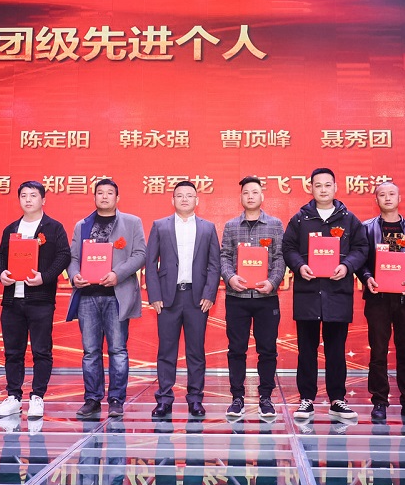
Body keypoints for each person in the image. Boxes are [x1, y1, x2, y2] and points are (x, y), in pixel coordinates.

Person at [282, 167, 369, 422]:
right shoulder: (300, 219)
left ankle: (337, 399)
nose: (323, 190)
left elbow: (361, 248)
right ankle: (306, 399)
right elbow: (288, 247)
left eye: (327, 185)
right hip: (308, 294)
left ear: (335, 187)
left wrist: (347, 266)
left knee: (336, 350)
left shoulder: (349, 219)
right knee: (306, 350)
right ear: (311, 188)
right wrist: (299, 265)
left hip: (337, 293)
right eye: (318, 185)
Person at [66, 179, 146, 419]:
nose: (104, 196)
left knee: (118, 350)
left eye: (109, 193)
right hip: (87, 296)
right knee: (90, 351)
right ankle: (92, 399)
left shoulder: (132, 222)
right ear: (94, 197)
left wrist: (117, 274)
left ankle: (116, 399)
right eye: (100, 192)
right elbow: (73, 257)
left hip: (116, 295)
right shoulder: (82, 225)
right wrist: (75, 275)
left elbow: (140, 254)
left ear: (117, 198)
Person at [0, 180, 71, 419]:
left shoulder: (53, 227)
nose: (28, 199)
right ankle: (13, 397)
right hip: (12, 300)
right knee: (12, 352)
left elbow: (64, 256)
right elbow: (0, 257)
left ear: (43, 200)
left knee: (41, 350)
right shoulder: (11, 228)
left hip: (40, 300)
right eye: (24, 195)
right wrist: (1, 274)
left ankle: (37, 397)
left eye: (33, 195)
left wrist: (44, 277)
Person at [355, 181, 405, 423]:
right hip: (377, 298)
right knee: (378, 352)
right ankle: (379, 402)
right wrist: (367, 277)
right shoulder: (366, 229)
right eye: (382, 195)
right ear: (376, 200)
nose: (387, 198)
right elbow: (360, 260)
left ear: (399, 198)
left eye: (392, 194)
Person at [145, 180, 221, 418]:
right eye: (180, 195)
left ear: (197, 200)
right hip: (168, 298)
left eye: (189, 195)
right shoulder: (160, 226)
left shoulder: (208, 228)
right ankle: (164, 399)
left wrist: (209, 293)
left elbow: (214, 265)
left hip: (197, 299)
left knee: (195, 352)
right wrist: (154, 295)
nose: (185, 199)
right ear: (173, 200)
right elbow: (150, 263)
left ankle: (195, 399)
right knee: (166, 351)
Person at [220, 176, 286, 420]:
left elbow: (280, 257)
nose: (250, 196)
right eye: (246, 192)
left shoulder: (275, 225)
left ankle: (265, 397)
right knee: (236, 349)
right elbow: (224, 256)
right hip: (236, 297)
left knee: (267, 350)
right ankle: (237, 397)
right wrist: (230, 277)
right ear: (241, 197)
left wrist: (273, 281)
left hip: (266, 297)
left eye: (254, 192)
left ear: (262, 196)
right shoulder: (231, 226)